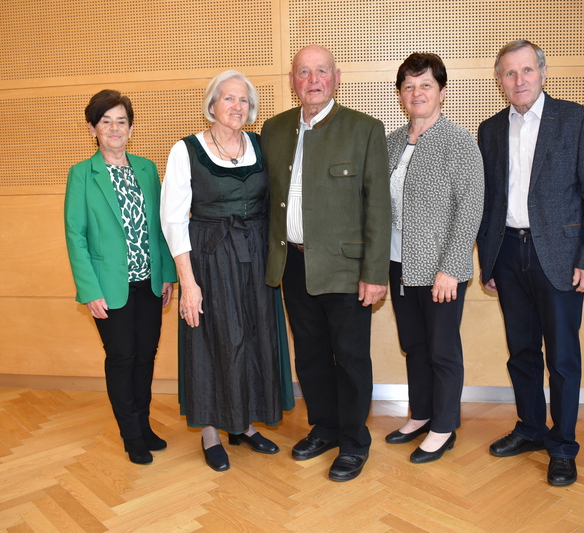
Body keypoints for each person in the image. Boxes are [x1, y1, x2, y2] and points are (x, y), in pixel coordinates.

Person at [477, 40, 584, 486]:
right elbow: (488, 203)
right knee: (521, 352)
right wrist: (489, 262)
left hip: (560, 257)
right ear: (500, 81)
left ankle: (563, 446)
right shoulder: (490, 130)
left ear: (543, 73)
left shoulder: (576, 119)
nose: (519, 80)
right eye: (510, 73)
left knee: (562, 357)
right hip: (508, 254)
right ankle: (531, 428)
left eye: (527, 70)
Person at [261, 45, 391, 482]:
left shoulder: (364, 129)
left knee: (350, 358)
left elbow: (378, 207)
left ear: (336, 78)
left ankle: (354, 441)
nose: (312, 79)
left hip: (346, 270)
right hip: (293, 265)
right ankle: (325, 427)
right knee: (311, 353)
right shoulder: (275, 129)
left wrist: (374, 274)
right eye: (303, 72)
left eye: (321, 71)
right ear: (292, 81)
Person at [160, 70, 292, 472]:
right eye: (228, 98)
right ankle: (211, 432)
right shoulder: (186, 150)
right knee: (213, 340)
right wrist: (188, 283)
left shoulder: (260, 145)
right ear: (212, 105)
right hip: (210, 258)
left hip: (255, 256)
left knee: (253, 336)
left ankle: (244, 424)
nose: (237, 106)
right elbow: (173, 220)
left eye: (243, 100)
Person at [64, 89, 177, 465]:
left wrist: (167, 274)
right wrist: (89, 290)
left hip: (150, 283)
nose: (114, 128)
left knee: (145, 356)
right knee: (122, 357)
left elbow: (161, 227)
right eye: (106, 121)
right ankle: (131, 435)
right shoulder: (82, 174)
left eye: (121, 121)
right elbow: (76, 236)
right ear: (93, 128)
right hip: (109, 287)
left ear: (131, 128)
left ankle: (143, 425)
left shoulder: (146, 169)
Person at [384, 53, 484, 464]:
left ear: (442, 91)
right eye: (408, 86)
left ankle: (443, 426)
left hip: (441, 268)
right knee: (414, 346)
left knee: (442, 350)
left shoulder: (459, 141)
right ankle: (421, 414)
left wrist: (452, 267)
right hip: (398, 265)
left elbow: (471, 207)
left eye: (425, 84)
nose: (417, 92)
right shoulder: (391, 142)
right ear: (400, 95)